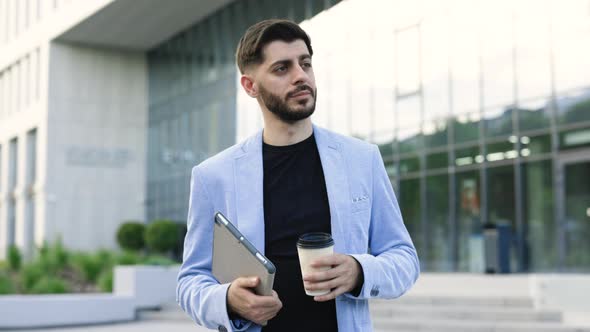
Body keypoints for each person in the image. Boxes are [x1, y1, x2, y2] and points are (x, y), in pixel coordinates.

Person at [176, 19, 419, 332]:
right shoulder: (213, 176)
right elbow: (191, 282)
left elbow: (405, 259)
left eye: (305, 64)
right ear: (250, 86)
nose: (301, 76)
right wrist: (227, 300)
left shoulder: (362, 159)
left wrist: (359, 270)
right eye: (282, 68)